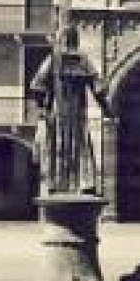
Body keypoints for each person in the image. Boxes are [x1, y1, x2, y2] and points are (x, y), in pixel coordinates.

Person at [27, 27, 112, 195]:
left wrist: (43, 107)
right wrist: (107, 109)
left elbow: (36, 85)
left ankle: (56, 183)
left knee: (58, 147)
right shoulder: (83, 60)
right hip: (78, 114)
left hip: (58, 114)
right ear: (76, 40)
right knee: (81, 146)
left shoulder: (53, 60)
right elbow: (99, 88)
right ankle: (85, 184)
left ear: (62, 40)